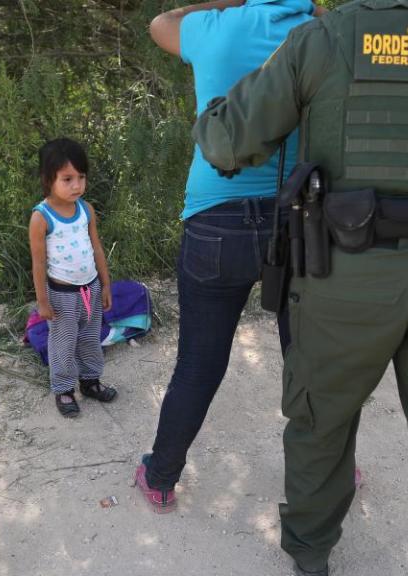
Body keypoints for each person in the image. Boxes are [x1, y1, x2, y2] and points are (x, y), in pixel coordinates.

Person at [192, 0, 408, 574]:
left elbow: (227, 143)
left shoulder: (322, 39)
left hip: (345, 273)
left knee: (321, 422)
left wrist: (213, 104)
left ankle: (309, 553)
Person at [135, 0, 316, 513]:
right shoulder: (319, 32)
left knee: (200, 362)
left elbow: (158, 24)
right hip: (297, 217)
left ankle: (162, 475)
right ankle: (329, 471)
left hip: (216, 215)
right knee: (310, 359)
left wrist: (226, 4)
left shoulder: (211, 28)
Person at [28, 138, 118, 418]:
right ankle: (64, 389)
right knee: (63, 343)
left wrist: (105, 285)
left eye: (81, 177)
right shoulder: (41, 218)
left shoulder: (86, 210)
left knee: (91, 338)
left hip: (90, 288)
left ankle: (90, 381)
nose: (76, 185)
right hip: (61, 295)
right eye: (67, 179)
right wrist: (43, 301)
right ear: (48, 180)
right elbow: (39, 263)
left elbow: (97, 247)